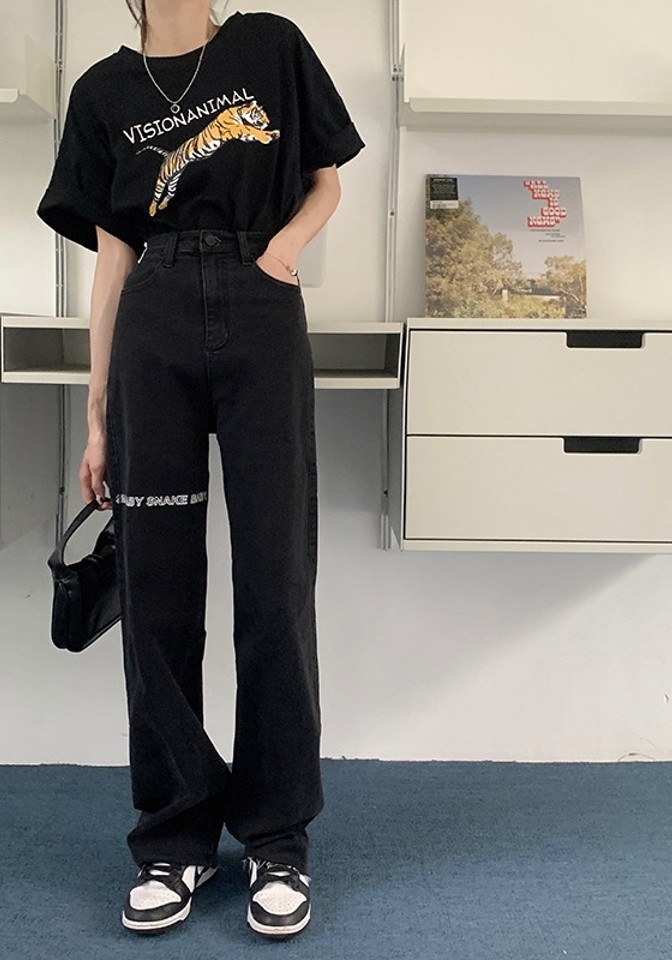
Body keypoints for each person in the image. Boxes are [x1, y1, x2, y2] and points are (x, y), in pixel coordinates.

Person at [36, 0, 365, 939]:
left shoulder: (269, 44)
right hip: (155, 320)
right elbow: (112, 258)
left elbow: (326, 181)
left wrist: (282, 251)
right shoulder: (103, 91)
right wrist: (97, 412)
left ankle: (277, 837)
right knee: (159, 591)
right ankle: (174, 834)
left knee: (275, 581)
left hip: (262, 309)